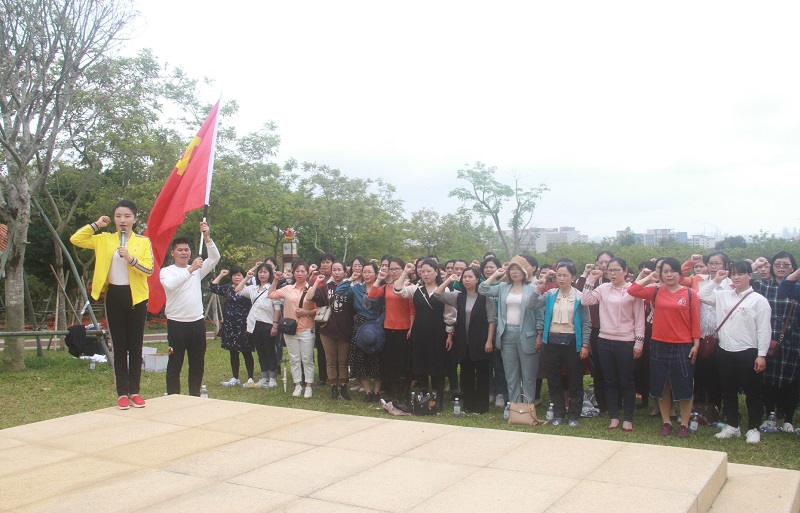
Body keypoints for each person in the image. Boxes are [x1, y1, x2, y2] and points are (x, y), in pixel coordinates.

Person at [70, 200, 153, 410]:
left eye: (127, 216)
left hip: (136, 296)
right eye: (118, 216)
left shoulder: (143, 241)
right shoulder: (105, 239)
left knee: (135, 346)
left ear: (135, 218)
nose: (122, 220)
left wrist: (131, 258)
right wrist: (97, 225)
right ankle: (122, 393)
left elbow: (149, 269)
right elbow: (76, 239)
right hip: (115, 294)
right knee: (119, 346)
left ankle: (135, 391)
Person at [627, 257, 700, 438]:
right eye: (665, 271)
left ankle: (684, 424)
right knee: (662, 385)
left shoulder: (690, 294)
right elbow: (632, 290)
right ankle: (666, 422)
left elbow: (695, 321)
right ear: (660, 274)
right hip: (659, 344)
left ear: (679, 273)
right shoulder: (656, 291)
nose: (669, 275)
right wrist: (648, 277)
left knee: (684, 386)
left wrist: (696, 344)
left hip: (683, 345)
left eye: (673, 271)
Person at [700, 261, 771, 444]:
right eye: (734, 274)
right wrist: (717, 279)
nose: (737, 277)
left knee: (752, 392)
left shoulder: (759, 300)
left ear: (750, 276)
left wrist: (761, 354)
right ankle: (732, 425)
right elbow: (701, 295)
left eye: (741, 274)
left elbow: (764, 330)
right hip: (725, 350)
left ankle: (754, 428)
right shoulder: (723, 295)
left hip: (748, 351)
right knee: (728, 390)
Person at [580, 257, 645, 431]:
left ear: (625, 271)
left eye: (617, 270)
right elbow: (585, 300)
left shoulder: (633, 290)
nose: (613, 273)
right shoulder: (603, 288)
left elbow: (639, 319)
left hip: (626, 341)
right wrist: (591, 279)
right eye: (610, 270)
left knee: (627, 380)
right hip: (605, 340)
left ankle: (628, 418)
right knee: (609, 380)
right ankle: (614, 416)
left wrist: (639, 343)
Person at [161, 221, 220, 396]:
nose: (184, 253)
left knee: (197, 364)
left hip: (196, 323)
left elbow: (214, 258)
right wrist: (191, 269)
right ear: (173, 253)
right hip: (176, 323)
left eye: (186, 250)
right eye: (180, 250)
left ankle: (194, 396)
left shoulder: (196, 270)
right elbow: (171, 285)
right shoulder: (167, 271)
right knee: (175, 363)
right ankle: (173, 397)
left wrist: (207, 237)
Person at [529, 261, 590, 427]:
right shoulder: (550, 294)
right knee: (554, 379)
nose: (561, 278)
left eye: (565, 275)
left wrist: (585, 344)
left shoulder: (580, 296)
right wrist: (539, 286)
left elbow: (586, 322)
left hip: (572, 341)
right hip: (552, 341)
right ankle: (558, 413)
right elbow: (531, 305)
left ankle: (574, 414)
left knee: (575, 379)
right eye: (559, 275)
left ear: (573, 277)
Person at [478, 256, 541, 408]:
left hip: (527, 335)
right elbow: (482, 289)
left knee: (528, 375)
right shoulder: (503, 287)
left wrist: (539, 334)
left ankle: (528, 407)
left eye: (518, 269)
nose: (514, 272)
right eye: (511, 269)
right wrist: (496, 274)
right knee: (511, 374)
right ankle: (514, 406)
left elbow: (540, 314)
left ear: (524, 271)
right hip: (507, 334)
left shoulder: (533, 288)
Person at [395, 259, 456, 410]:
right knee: (420, 363)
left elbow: (449, 314)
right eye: (423, 271)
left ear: (436, 272)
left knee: (438, 364)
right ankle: (424, 396)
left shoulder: (444, 290)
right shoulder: (416, 289)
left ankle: (438, 398)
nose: (426, 274)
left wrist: (449, 334)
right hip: (420, 331)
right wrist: (405, 272)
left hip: (438, 331)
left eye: (429, 271)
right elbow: (398, 289)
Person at [434, 268, 496, 413]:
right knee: (466, 373)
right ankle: (468, 405)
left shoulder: (485, 297)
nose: (467, 280)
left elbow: (492, 320)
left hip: (480, 341)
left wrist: (489, 341)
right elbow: (437, 294)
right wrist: (449, 280)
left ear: (477, 279)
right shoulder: (458, 296)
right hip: (463, 341)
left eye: (470, 277)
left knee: (482, 374)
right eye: (464, 277)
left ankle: (481, 406)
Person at [752, 252, 800, 431]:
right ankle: (770, 414)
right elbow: (739, 279)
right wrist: (755, 265)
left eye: (786, 265)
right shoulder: (762, 286)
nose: (781, 267)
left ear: (793, 267)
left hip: (792, 339)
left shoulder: (796, 288)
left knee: (791, 380)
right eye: (777, 264)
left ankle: (788, 418)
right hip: (767, 338)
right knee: (767, 378)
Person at [306, 261, 354, 400]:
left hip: (345, 328)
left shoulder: (350, 288)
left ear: (345, 271)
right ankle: (333, 387)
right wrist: (317, 282)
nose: (337, 272)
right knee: (330, 360)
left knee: (343, 360)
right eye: (334, 270)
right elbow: (309, 297)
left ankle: (343, 387)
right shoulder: (325, 288)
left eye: (339, 269)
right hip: (327, 329)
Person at [368, 258, 415, 401]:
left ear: (403, 270)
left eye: (397, 269)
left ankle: (404, 392)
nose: (394, 272)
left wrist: (411, 328)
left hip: (404, 328)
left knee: (403, 362)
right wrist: (379, 278)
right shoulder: (387, 287)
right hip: (388, 328)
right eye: (391, 269)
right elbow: (371, 295)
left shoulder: (409, 287)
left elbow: (412, 310)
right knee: (391, 361)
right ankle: (394, 393)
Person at [336, 262, 384, 401]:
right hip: (360, 325)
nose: (367, 275)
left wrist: (379, 323)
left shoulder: (381, 289)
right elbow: (339, 291)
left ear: (376, 273)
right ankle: (368, 391)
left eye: (370, 272)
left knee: (378, 359)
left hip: (376, 324)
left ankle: (377, 391)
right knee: (361, 359)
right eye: (365, 272)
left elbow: (385, 308)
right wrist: (350, 279)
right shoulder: (356, 288)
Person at [268, 261, 316, 398]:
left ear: (307, 273)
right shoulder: (288, 288)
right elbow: (271, 294)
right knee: (294, 358)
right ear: (294, 273)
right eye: (297, 271)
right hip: (290, 329)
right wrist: (276, 279)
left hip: (306, 328)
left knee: (307, 358)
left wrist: (305, 312)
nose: (300, 274)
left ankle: (308, 386)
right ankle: (297, 384)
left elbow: (318, 309)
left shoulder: (312, 289)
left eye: (303, 271)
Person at [235, 262, 282, 388]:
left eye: (265, 272)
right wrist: (247, 277)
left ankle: (272, 378)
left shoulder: (272, 289)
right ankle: (264, 377)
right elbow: (238, 290)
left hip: (268, 323)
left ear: (270, 274)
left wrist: (275, 325)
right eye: (260, 272)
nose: (262, 274)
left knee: (270, 351)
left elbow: (277, 308)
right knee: (261, 352)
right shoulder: (253, 288)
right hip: (255, 323)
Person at [210, 266, 255, 387]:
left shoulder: (249, 289)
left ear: (244, 276)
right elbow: (212, 287)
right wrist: (221, 275)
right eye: (234, 275)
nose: (237, 277)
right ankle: (235, 377)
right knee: (233, 352)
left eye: (239, 275)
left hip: (244, 325)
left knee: (246, 351)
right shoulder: (227, 289)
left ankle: (250, 378)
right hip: (230, 325)